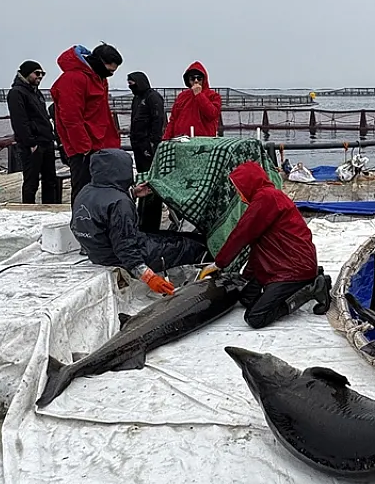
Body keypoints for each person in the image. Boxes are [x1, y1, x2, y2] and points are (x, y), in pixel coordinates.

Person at [197, 161, 331, 328]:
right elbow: (258, 246)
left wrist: (218, 264)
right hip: (279, 263)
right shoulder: (266, 197)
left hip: (292, 269)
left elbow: (242, 234)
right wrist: (246, 276)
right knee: (246, 299)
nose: (238, 194)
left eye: (239, 189)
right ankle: (307, 279)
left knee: (256, 317)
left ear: (249, 184)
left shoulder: (266, 198)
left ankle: (308, 290)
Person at [71, 149, 207, 295]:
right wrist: (148, 277)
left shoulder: (86, 190)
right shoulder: (120, 203)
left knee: (167, 235)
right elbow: (125, 248)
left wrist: (133, 193)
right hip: (118, 257)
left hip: (97, 251)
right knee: (190, 244)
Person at [50, 43, 123, 204]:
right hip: (84, 148)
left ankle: (98, 220)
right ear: (98, 61)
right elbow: (70, 117)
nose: (110, 74)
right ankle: (81, 222)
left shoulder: (99, 78)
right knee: (83, 188)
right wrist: (83, 147)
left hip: (101, 143)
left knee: (100, 187)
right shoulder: (73, 79)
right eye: (109, 70)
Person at [6, 60, 62, 205]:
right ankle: (28, 208)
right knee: (31, 181)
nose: (40, 76)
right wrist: (30, 142)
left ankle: (49, 207)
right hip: (33, 144)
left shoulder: (36, 93)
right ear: (26, 73)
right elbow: (19, 121)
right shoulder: (16, 93)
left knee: (50, 180)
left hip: (46, 141)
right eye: (37, 73)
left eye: (42, 74)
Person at [127, 71, 167, 232]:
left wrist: (153, 144)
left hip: (148, 147)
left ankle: (151, 222)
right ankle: (142, 216)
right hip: (138, 146)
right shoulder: (137, 99)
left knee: (151, 183)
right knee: (142, 179)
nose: (130, 86)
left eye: (132, 83)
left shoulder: (153, 98)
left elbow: (159, 120)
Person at [164, 61, 222, 140]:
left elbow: (212, 114)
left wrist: (199, 95)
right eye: (192, 78)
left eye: (199, 78)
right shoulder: (182, 96)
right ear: (188, 80)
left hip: (204, 141)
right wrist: (165, 139)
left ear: (204, 79)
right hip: (181, 140)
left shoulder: (213, 96)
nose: (196, 81)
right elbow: (173, 120)